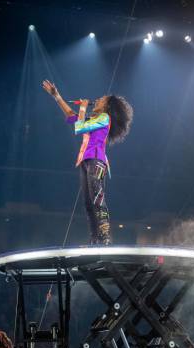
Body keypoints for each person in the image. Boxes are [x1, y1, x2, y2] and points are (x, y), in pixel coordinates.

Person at [42, 79, 133, 245]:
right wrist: (57, 96)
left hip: (96, 161)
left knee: (97, 198)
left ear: (107, 107)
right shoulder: (94, 120)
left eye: (101, 99)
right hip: (86, 161)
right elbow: (72, 117)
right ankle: (95, 238)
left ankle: (105, 237)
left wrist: (83, 107)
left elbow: (79, 127)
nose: (97, 100)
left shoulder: (104, 118)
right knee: (88, 203)